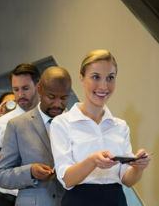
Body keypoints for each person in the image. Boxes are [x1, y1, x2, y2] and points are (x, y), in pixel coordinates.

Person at [49, 49, 152, 206]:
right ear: (82, 79)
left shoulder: (120, 126)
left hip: (115, 200)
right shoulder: (62, 123)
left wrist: (138, 168)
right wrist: (92, 161)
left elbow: (127, 180)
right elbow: (67, 179)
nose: (104, 86)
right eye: (96, 77)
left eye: (110, 78)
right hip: (78, 201)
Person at [0, 67, 72, 206]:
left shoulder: (77, 124)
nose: (57, 104)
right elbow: (2, 175)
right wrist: (30, 172)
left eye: (64, 98)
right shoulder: (17, 125)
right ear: (39, 89)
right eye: (51, 97)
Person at [0, 63, 40, 206]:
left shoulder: (54, 120)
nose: (20, 95)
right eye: (16, 89)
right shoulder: (1, 124)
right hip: (8, 198)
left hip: (42, 196)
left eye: (25, 88)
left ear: (38, 86)